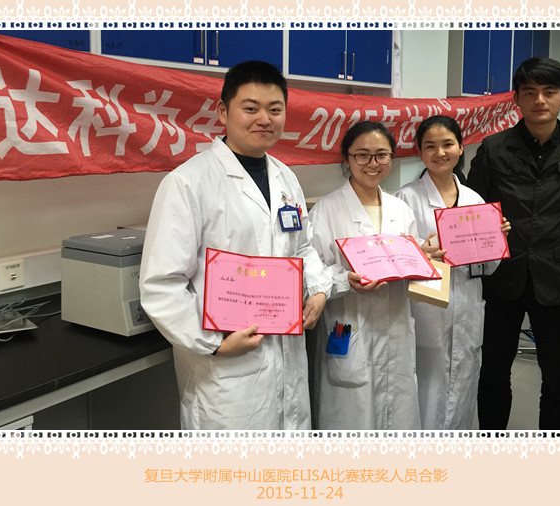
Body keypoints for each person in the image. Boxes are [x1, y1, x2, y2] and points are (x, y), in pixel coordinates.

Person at [139, 61, 330, 430]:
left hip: (287, 356)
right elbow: (162, 283)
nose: (264, 119)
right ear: (223, 112)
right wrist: (213, 342)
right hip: (227, 372)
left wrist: (319, 289)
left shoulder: (286, 179)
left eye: (275, 109)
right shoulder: (188, 182)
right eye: (251, 108)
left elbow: (302, 248)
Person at [466, 57, 560, 430]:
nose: (539, 100)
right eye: (529, 92)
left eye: (549, 92)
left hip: (556, 278)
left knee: (559, 380)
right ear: (517, 99)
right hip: (502, 277)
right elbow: (475, 208)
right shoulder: (494, 148)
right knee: (493, 373)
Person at [395, 115, 510, 430]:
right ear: (420, 152)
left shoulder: (475, 200)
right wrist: (421, 253)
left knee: (463, 382)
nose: (440, 153)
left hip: (468, 304)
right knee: (426, 386)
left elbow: (488, 267)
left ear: (461, 148)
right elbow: (397, 260)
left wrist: (496, 239)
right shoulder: (405, 199)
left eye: (447, 144)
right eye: (430, 146)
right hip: (427, 308)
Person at [309, 121, 420, 430]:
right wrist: (345, 280)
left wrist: (423, 258)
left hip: (395, 322)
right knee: (350, 418)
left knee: (396, 416)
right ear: (347, 158)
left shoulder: (400, 209)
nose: (373, 163)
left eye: (382, 155)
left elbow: (410, 257)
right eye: (362, 155)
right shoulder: (327, 209)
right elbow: (312, 272)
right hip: (349, 322)